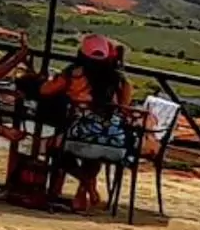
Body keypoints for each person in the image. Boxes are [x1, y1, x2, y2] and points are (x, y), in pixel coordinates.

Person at [44, 35, 135, 213]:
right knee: (95, 151)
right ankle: (81, 195)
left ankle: (86, 186)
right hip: (113, 143)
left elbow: (45, 90)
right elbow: (124, 110)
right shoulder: (122, 82)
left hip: (78, 134)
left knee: (54, 146)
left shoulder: (74, 74)